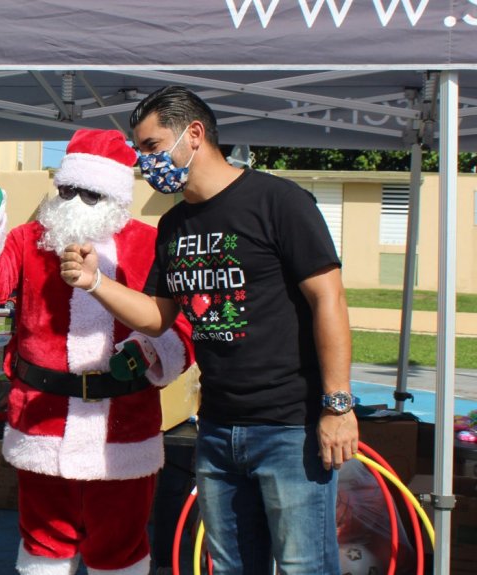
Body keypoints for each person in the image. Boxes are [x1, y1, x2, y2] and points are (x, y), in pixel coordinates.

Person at [60, 86, 358, 575]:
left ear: (193, 134)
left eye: (152, 146)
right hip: (217, 429)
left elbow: (329, 298)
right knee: (229, 566)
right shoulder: (174, 223)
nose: (145, 162)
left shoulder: (279, 201)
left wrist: (338, 404)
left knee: (306, 566)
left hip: (290, 429)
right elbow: (158, 316)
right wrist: (95, 282)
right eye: (140, 150)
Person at [0, 128, 194, 575]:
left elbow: (178, 324)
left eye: (89, 192)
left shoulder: (147, 242)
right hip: (42, 421)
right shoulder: (29, 239)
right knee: (44, 544)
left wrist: (146, 351)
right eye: (66, 189)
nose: (73, 201)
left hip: (123, 427)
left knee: (119, 546)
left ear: (114, 195)